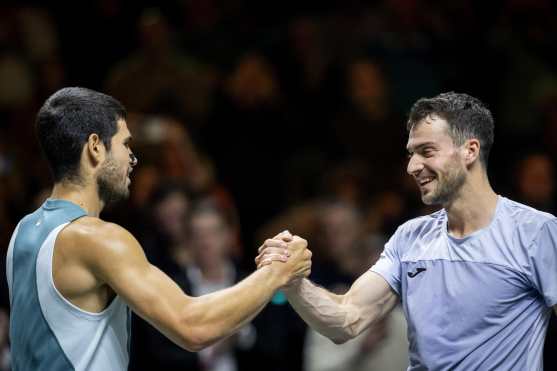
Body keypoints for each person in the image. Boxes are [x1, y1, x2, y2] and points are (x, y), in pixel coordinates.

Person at [6, 87, 311, 370]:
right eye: (125, 145)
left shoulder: (22, 232)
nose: (132, 160)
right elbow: (193, 327)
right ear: (96, 148)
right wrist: (277, 272)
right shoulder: (97, 238)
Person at [257, 92, 557, 370]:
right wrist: (292, 280)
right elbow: (345, 318)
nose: (413, 166)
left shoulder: (537, 233)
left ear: (470, 150)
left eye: (426, 151)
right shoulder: (410, 237)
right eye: (411, 154)